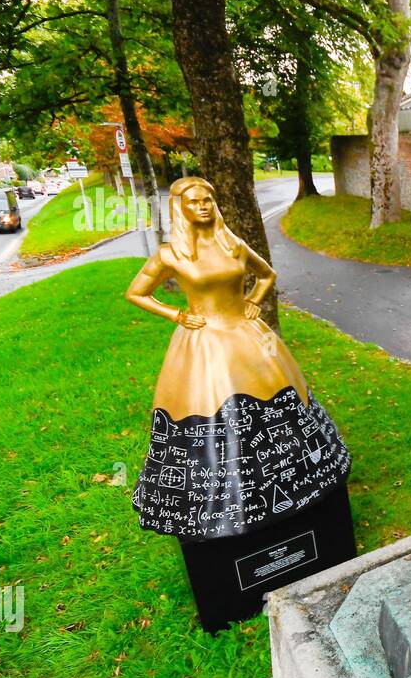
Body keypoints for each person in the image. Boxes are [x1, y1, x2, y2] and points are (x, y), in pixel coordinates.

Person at [126, 176, 350, 540]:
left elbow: (266, 274)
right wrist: (178, 315)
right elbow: (137, 293)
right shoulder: (171, 254)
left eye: (208, 201)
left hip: (248, 338)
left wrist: (253, 302)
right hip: (204, 343)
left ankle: (292, 478)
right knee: (209, 406)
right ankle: (222, 496)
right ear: (180, 208)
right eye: (195, 201)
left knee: (276, 403)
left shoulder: (233, 245)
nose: (203, 206)